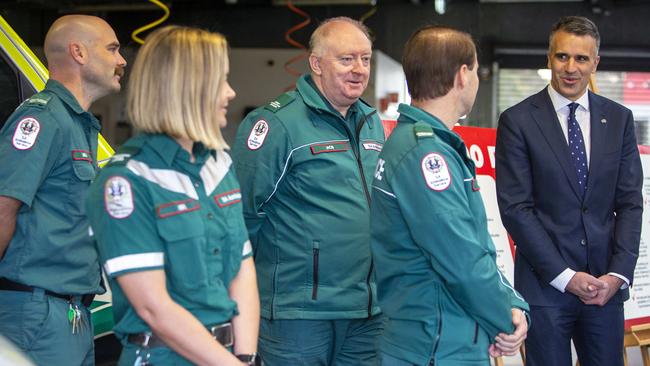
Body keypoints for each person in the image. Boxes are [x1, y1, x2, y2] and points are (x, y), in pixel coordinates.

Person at [86, 26, 260, 366]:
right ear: (188, 89)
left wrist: (247, 356)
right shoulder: (126, 182)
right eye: (220, 81)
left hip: (228, 355)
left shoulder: (219, 166)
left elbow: (242, 269)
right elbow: (154, 307)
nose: (230, 92)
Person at [370, 25, 529, 366]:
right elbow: (462, 261)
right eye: (475, 71)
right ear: (461, 75)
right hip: (435, 345)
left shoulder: (428, 145)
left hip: (447, 336)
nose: (476, 80)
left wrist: (511, 305)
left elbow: (475, 248)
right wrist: (507, 317)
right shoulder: (425, 154)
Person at [232, 16, 385, 366]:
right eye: (346, 59)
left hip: (366, 310)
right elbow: (241, 218)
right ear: (316, 63)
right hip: (297, 315)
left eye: (365, 59)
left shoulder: (371, 122)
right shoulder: (276, 124)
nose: (359, 69)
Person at [496, 16, 643, 366]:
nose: (571, 68)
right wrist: (566, 276)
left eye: (581, 59)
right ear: (549, 58)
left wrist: (618, 275)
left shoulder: (619, 119)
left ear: (595, 63)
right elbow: (517, 208)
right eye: (562, 56)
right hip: (545, 289)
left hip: (605, 290)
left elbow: (630, 203)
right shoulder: (517, 120)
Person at [0, 15, 126, 366]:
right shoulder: (43, 120)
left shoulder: (78, 125)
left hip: (71, 314)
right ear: (78, 53)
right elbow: (2, 207)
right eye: (112, 48)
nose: (121, 60)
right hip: (37, 315)